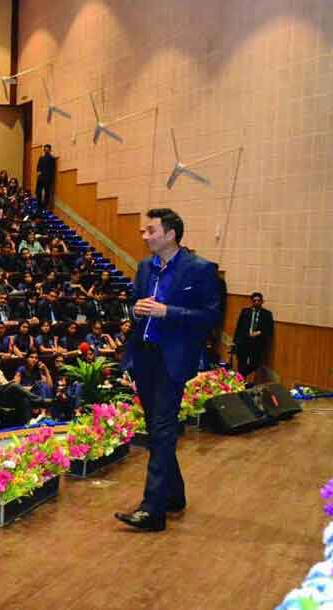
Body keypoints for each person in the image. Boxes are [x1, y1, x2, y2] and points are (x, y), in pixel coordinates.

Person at [116, 208, 221, 533]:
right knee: (156, 426)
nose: (145, 236)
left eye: (150, 230)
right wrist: (135, 310)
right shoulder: (146, 266)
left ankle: (153, 510)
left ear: (171, 234)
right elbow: (135, 303)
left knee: (161, 428)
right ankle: (173, 494)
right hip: (145, 356)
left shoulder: (200, 269)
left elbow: (211, 316)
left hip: (173, 360)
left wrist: (167, 311)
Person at [232, 292, 273, 381]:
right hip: (244, 342)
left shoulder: (267, 314)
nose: (257, 302)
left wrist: (259, 332)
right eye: (255, 300)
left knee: (254, 364)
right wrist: (235, 342)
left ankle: (241, 376)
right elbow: (238, 327)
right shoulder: (245, 311)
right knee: (241, 364)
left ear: (262, 301)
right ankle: (240, 383)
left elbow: (270, 330)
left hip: (257, 343)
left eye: (259, 300)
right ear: (252, 301)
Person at [35, 144, 57, 208]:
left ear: (50, 150)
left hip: (48, 178)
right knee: (38, 191)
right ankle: (39, 204)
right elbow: (38, 167)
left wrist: (51, 179)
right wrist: (39, 172)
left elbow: (53, 169)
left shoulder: (52, 158)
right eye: (45, 149)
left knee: (47, 193)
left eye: (47, 149)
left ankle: (45, 206)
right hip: (41, 177)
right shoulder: (41, 158)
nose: (46, 150)